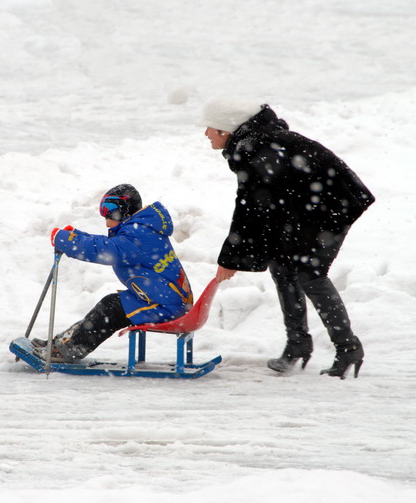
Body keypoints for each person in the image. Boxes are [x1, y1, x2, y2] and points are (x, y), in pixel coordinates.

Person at [202, 98, 375, 379]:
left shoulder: (255, 148)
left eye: (210, 127)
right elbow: (260, 203)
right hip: (301, 209)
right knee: (281, 266)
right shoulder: (253, 144)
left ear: (225, 130)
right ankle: (298, 345)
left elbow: (248, 208)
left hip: (331, 208)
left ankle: (348, 348)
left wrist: (231, 259)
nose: (206, 134)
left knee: (310, 273)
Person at [32, 183, 193, 363]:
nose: (107, 222)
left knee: (111, 309)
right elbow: (107, 243)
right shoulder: (141, 229)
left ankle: (69, 349)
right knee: (111, 304)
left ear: (124, 211)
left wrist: (66, 242)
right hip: (164, 302)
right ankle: (63, 344)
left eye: (110, 214)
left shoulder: (139, 235)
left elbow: (106, 250)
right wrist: (77, 237)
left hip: (166, 308)